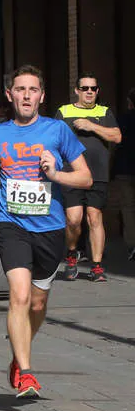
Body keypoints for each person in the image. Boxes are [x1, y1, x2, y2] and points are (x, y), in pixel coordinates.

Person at [0, 65, 91, 399]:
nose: (26, 96)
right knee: (20, 295)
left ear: (41, 96)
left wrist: (55, 175)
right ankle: (27, 374)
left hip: (50, 226)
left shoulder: (57, 131)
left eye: (32, 90)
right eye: (20, 89)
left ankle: (19, 353)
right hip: (10, 222)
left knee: (38, 303)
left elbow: (85, 177)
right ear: (9, 94)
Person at [55, 73, 122, 282]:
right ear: (77, 91)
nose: (89, 92)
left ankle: (97, 266)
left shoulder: (104, 112)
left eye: (93, 89)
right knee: (74, 220)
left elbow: (117, 137)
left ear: (97, 91)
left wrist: (91, 126)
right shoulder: (64, 112)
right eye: (85, 88)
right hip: (71, 173)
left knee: (95, 217)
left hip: (98, 174)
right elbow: (54, 139)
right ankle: (72, 254)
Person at [108, 88, 135, 260]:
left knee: (128, 208)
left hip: (125, 169)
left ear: (129, 102)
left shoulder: (122, 120)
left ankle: (133, 246)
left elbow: (114, 145)